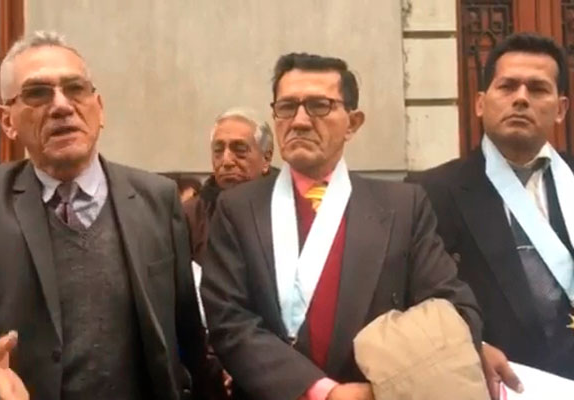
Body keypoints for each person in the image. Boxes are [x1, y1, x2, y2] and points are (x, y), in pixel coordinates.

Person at [200, 52, 484, 400]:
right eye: (287, 107)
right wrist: (322, 392)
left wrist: (387, 387)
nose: (300, 121)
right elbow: (228, 319)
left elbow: (452, 308)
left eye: (319, 106)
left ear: (353, 122)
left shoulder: (402, 207)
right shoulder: (238, 209)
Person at [0, 31, 209, 400]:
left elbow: (187, 332)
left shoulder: (157, 199)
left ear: (99, 108)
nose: (61, 106)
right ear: (6, 120)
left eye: (75, 89)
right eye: (38, 93)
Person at [407, 32, 574, 394]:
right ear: (481, 103)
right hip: (499, 385)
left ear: (561, 109)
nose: (521, 98)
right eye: (507, 86)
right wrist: (470, 346)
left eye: (538, 89)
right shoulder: (430, 192)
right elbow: (416, 301)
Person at [184, 107, 273, 263]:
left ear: (266, 158)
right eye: (218, 150)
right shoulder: (191, 216)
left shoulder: (288, 205)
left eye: (240, 150)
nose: (226, 161)